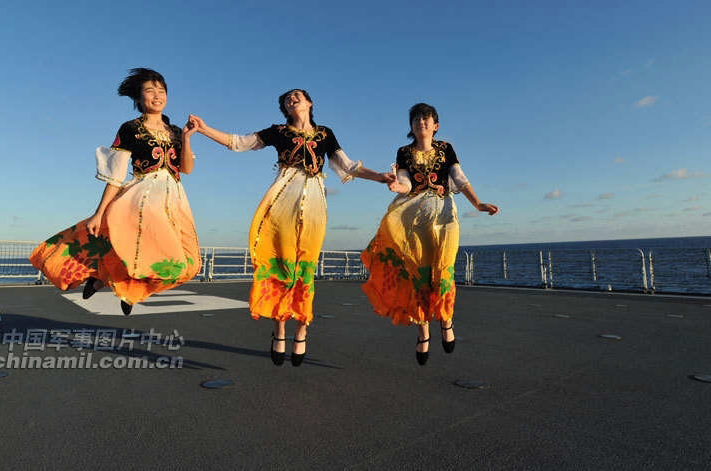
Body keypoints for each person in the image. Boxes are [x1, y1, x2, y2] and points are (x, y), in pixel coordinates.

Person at [189, 89, 391, 366]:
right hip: (284, 198)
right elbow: (238, 143)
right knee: (282, 266)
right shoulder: (278, 132)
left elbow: (348, 167)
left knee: (305, 268)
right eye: (287, 99)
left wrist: (380, 177)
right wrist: (203, 129)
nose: (292, 99)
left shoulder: (325, 134)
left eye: (297, 95)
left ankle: (302, 328)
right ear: (285, 108)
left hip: (315, 203)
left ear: (309, 102)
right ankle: (280, 328)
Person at [30, 68, 201, 315]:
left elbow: (186, 169)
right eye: (150, 91)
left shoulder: (175, 131)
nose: (157, 96)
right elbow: (116, 175)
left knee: (187, 264)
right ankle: (119, 285)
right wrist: (99, 213)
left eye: (161, 91)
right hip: (142, 197)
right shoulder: (130, 128)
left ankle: (110, 281)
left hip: (174, 200)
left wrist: (187, 138)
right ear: (138, 98)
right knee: (143, 252)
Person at [361, 103, 498, 365]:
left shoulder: (446, 148)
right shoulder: (404, 152)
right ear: (411, 127)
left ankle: (446, 321)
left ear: (435, 125)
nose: (421, 122)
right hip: (414, 220)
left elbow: (459, 178)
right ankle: (423, 331)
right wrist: (396, 186)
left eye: (426, 118)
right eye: (416, 119)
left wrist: (477, 204)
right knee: (419, 276)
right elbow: (406, 183)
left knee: (443, 271)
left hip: (445, 217)